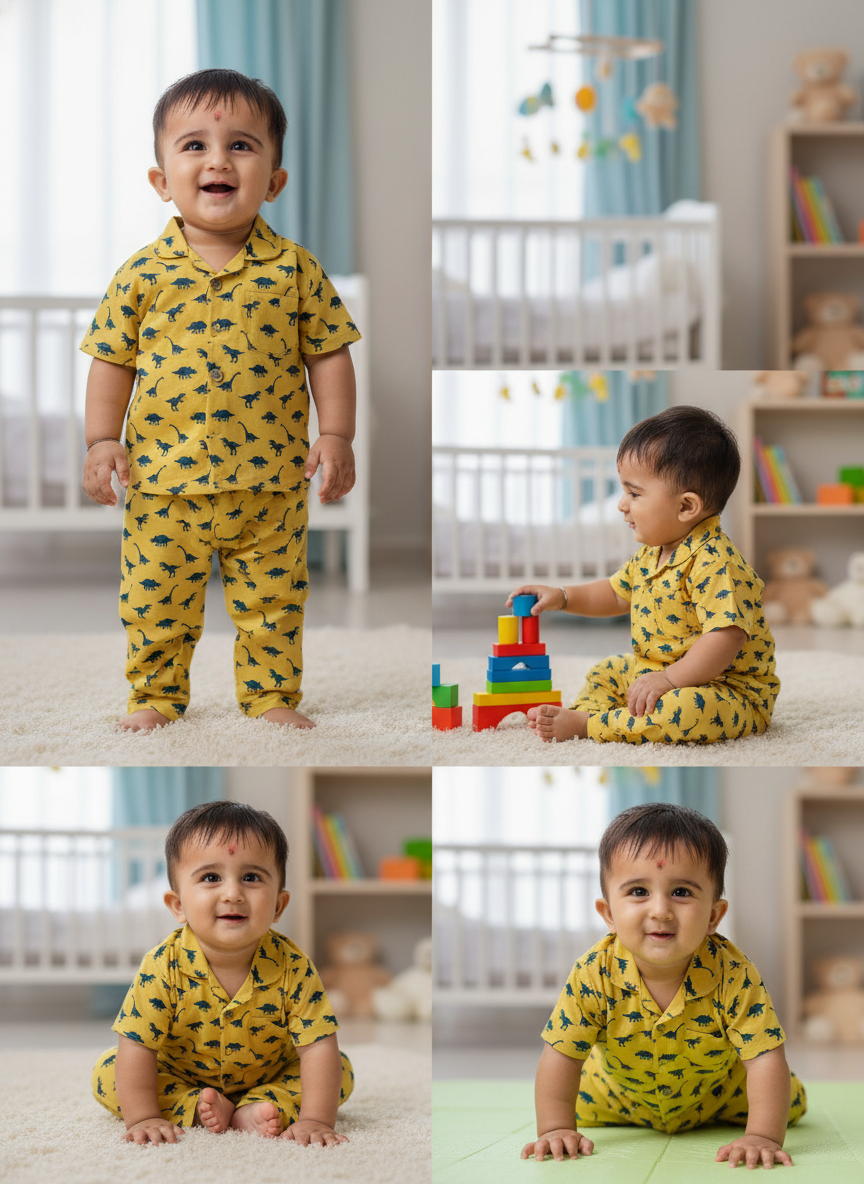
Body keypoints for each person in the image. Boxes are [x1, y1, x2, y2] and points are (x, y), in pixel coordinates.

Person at [80, 68, 361, 732]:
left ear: (273, 181)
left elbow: (329, 354)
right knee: (155, 603)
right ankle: (154, 694)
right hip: (164, 483)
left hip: (268, 483)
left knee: (274, 602)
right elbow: (111, 363)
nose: (218, 159)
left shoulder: (294, 269)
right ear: (161, 181)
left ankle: (270, 697)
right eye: (194, 145)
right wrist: (101, 440)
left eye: (241, 145)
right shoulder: (140, 274)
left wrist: (338, 435)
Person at [521, 802, 806, 1168]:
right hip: (613, 1098)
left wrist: (762, 1135)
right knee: (570, 1099)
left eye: (682, 893)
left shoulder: (735, 973)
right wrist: (555, 1127)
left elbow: (765, 1056)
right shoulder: (593, 972)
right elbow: (562, 1053)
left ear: (713, 916)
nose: (660, 910)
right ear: (608, 913)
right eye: (638, 892)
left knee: (790, 1103)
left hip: (722, 1096)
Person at [507, 406, 779, 744]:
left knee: (684, 711)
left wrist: (669, 680)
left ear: (685, 507)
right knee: (607, 671)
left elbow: (726, 637)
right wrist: (563, 596)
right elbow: (615, 593)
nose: (622, 504)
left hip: (728, 690)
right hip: (657, 671)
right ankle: (589, 712)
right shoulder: (652, 551)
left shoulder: (717, 562)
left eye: (634, 493)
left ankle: (589, 726)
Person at [91, 800, 353, 1145]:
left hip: (269, 1074)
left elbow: (317, 1046)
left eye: (251, 877)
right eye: (211, 877)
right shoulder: (161, 965)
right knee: (109, 1072)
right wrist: (144, 1117)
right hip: (180, 1076)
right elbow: (137, 1045)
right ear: (178, 905)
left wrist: (317, 1121)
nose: (233, 894)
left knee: (339, 1069)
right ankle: (193, 1106)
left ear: (278, 905)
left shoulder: (294, 966)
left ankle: (257, 1106)